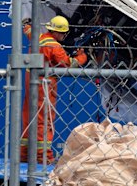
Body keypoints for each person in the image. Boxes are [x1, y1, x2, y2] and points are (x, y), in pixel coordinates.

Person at [20, 15, 88, 164]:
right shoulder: (54, 47)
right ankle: (43, 157)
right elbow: (70, 64)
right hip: (44, 85)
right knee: (44, 120)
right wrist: (82, 56)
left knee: (28, 118)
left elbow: (28, 30)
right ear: (57, 32)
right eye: (63, 33)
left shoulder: (38, 37)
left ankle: (23, 156)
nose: (64, 36)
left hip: (30, 80)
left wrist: (26, 24)